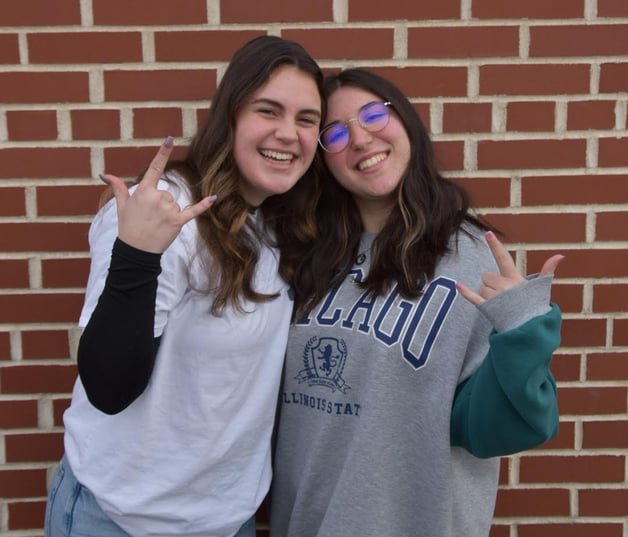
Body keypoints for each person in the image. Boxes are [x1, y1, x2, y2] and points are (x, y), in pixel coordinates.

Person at [44, 35, 325, 537]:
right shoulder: (165, 215)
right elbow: (108, 386)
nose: (289, 133)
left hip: (227, 521)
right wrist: (137, 255)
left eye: (307, 119)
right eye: (269, 111)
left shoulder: (281, 225)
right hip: (118, 519)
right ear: (230, 115)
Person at [269, 68, 564, 537]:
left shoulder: (469, 258)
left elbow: (507, 428)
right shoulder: (305, 256)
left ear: (405, 121)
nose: (361, 139)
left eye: (372, 114)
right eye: (337, 132)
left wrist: (523, 335)